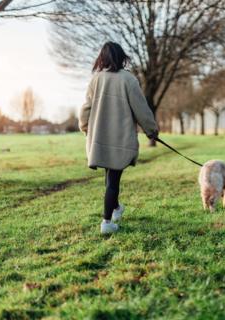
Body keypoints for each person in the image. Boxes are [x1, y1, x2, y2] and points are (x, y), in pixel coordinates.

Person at [79, 41, 158, 234]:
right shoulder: (128, 80)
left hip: (99, 138)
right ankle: (106, 222)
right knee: (113, 181)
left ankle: (115, 209)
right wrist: (151, 129)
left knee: (110, 179)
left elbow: (85, 109)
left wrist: (85, 127)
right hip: (120, 139)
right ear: (122, 57)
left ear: (102, 59)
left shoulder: (95, 80)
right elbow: (140, 108)